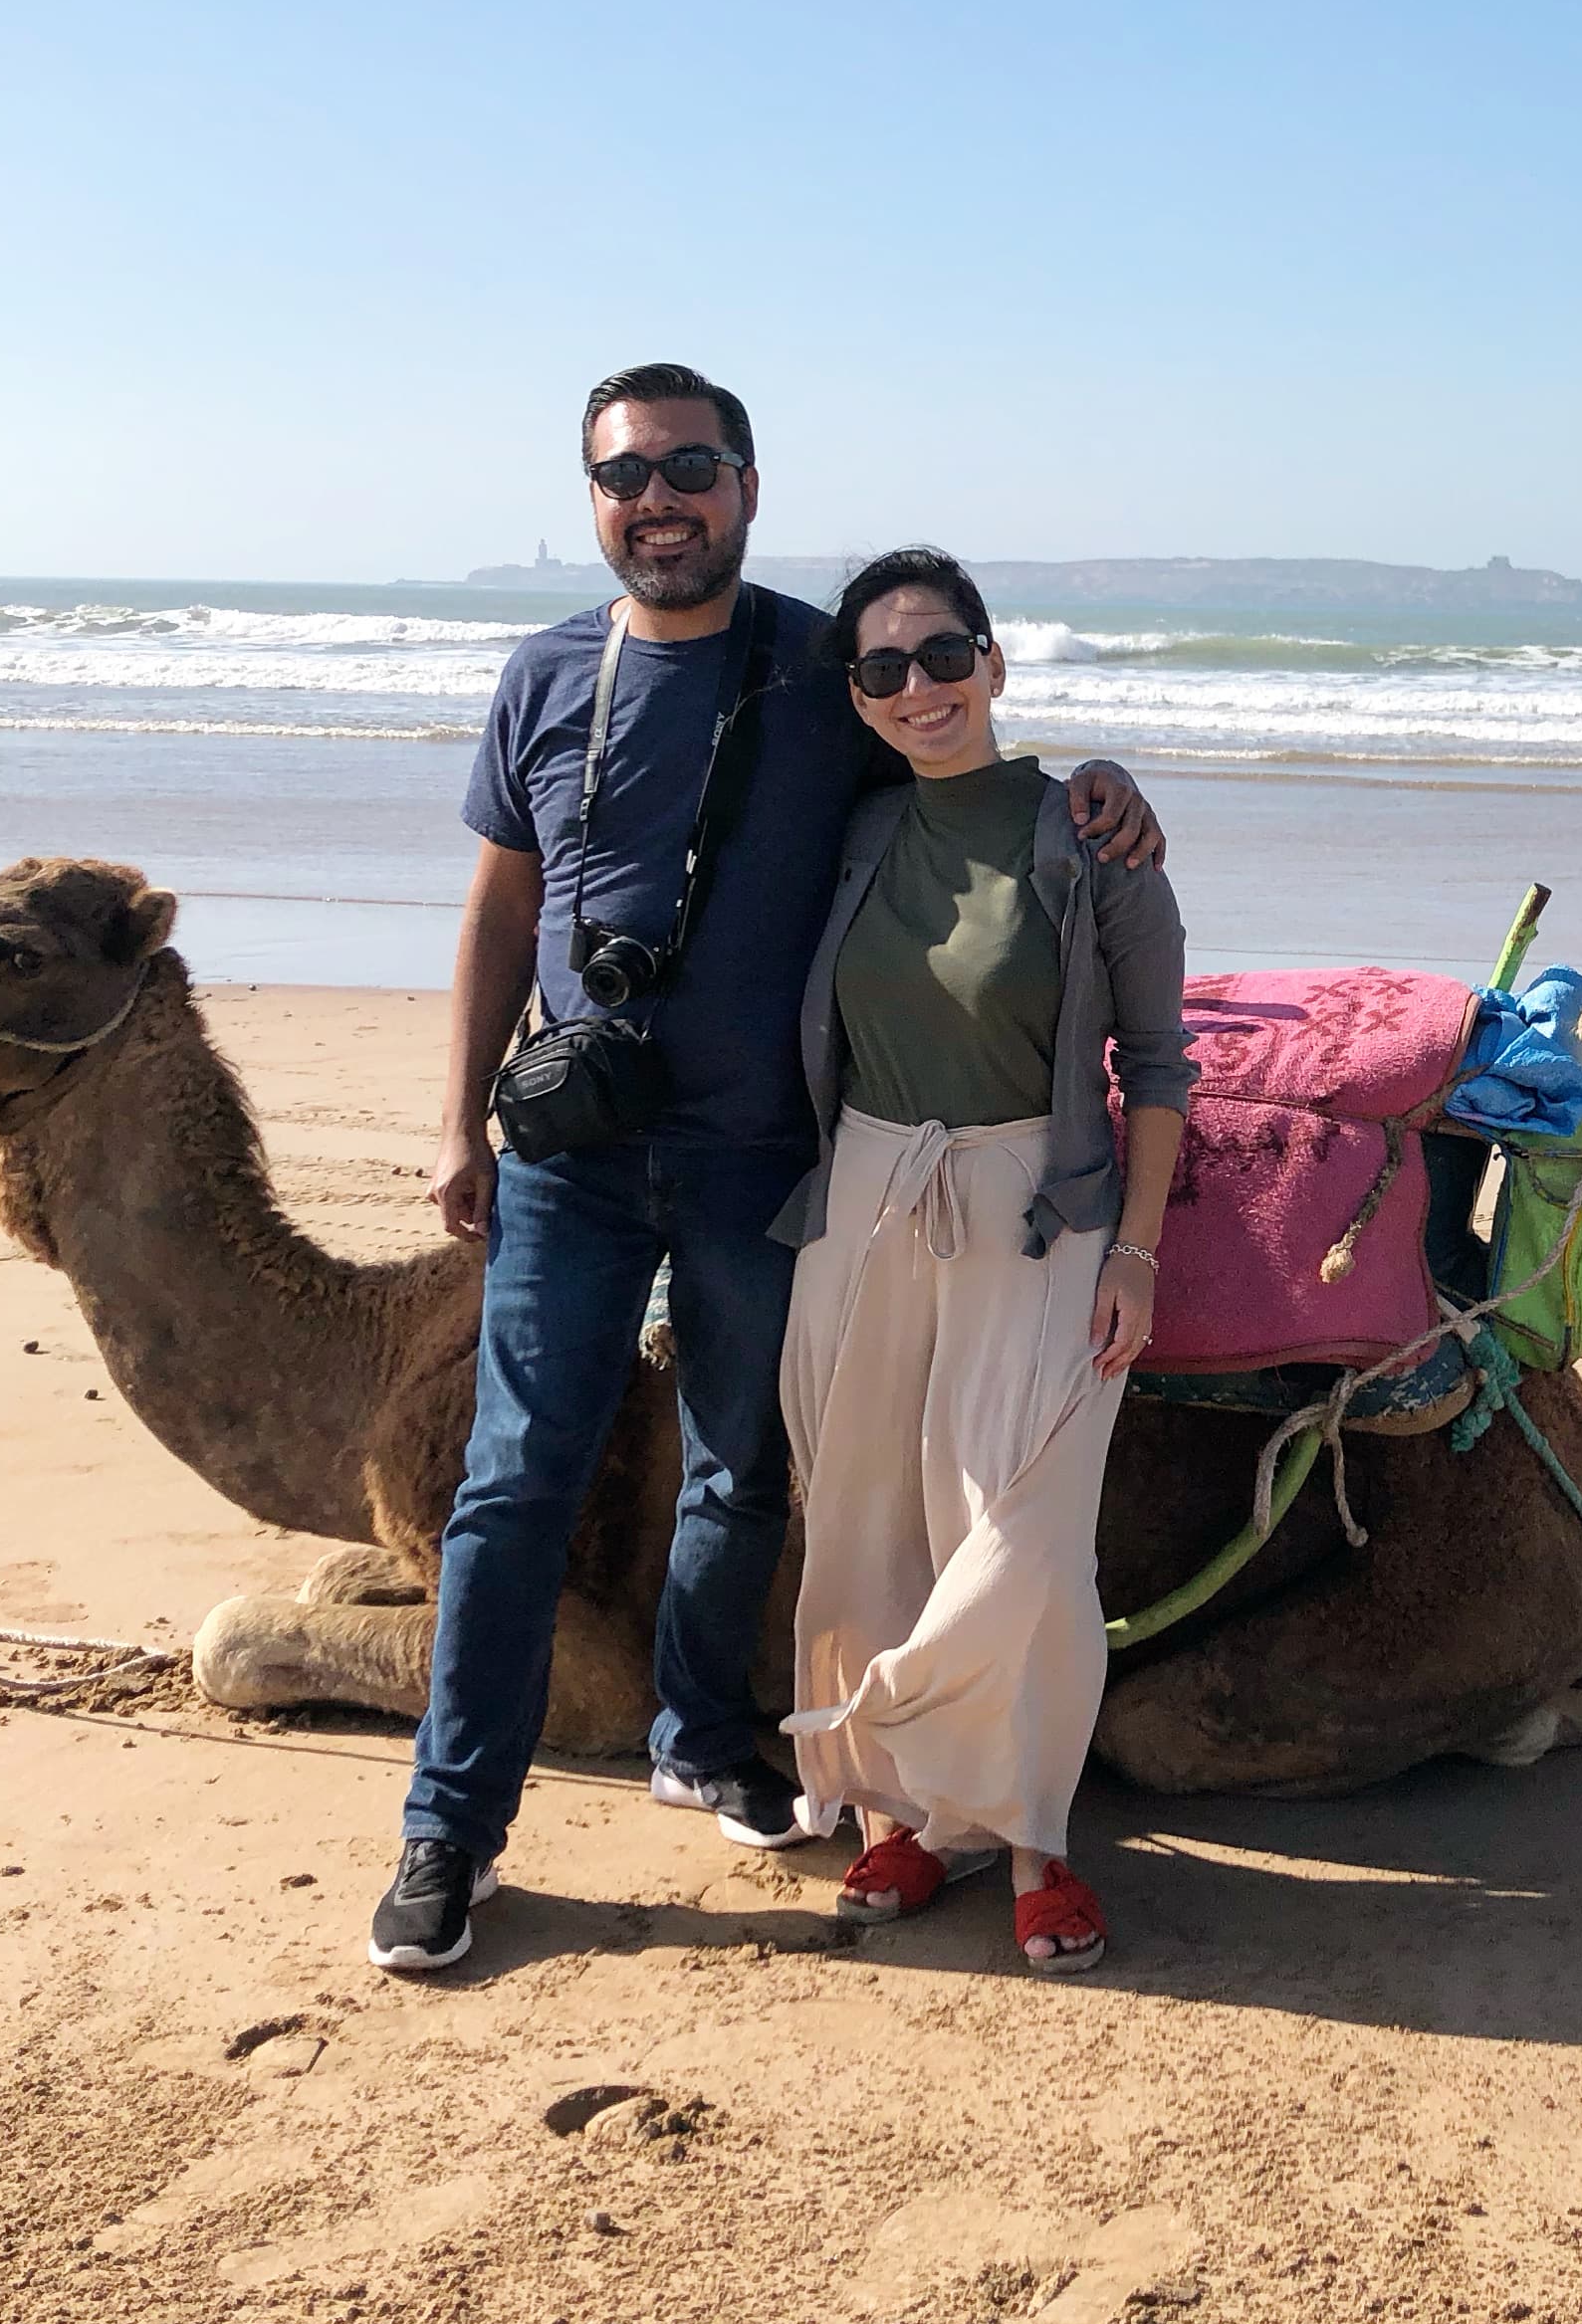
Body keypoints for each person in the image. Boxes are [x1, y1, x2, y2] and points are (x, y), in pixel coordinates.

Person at [369, 368, 1159, 1976]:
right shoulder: (541, 676)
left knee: (748, 1469)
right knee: (514, 1486)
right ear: (592, 499)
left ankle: (700, 1735)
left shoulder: (819, 666)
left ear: (746, 484)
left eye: (692, 467)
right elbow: (500, 914)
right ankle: (449, 1833)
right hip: (576, 1160)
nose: (658, 499)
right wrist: (460, 1120)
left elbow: (954, 757)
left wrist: (1105, 788)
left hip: (766, 1167)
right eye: (625, 475)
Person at [772, 547, 1189, 1975]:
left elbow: (1163, 1065)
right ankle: (902, 1813)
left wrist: (1133, 1246)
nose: (919, 688)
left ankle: (1033, 1840)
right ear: (860, 697)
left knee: (1017, 1526)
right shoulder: (854, 828)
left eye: (944, 655)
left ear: (996, 663)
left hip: (1038, 1199)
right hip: (865, 1193)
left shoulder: (1092, 836)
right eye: (883, 669)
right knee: (869, 1512)